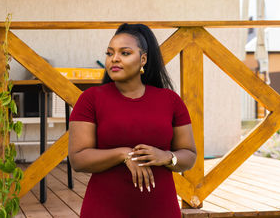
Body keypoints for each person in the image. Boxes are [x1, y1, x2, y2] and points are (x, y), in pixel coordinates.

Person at [68, 23, 197, 218]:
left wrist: (167, 156)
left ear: (143, 59)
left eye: (125, 53)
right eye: (110, 53)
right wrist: (124, 154)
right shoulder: (91, 99)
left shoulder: (170, 100)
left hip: (160, 209)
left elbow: (189, 154)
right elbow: (78, 159)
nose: (115, 59)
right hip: (105, 209)